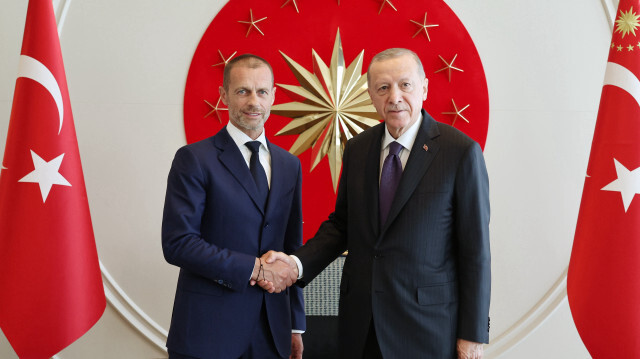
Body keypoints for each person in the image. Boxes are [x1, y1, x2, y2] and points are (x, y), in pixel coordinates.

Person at [263, 48, 491, 359]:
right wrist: (295, 264)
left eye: (405, 85)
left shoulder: (460, 152)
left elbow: (475, 251)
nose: (394, 96)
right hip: (362, 328)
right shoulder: (358, 149)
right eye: (383, 87)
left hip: (428, 331)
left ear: (424, 87)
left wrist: (473, 334)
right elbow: (342, 225)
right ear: (371, 95)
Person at [162, 54, 305, 359]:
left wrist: (295, 326)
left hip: (272, 332)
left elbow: (291, 247)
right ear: (223, 95)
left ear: (273, 96)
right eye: (243, 91)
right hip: (208, 333)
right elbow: (178, 243)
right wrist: (255, 268)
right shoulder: (194, 159)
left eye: (262, 92)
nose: (254, 101)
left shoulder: (289, 164)